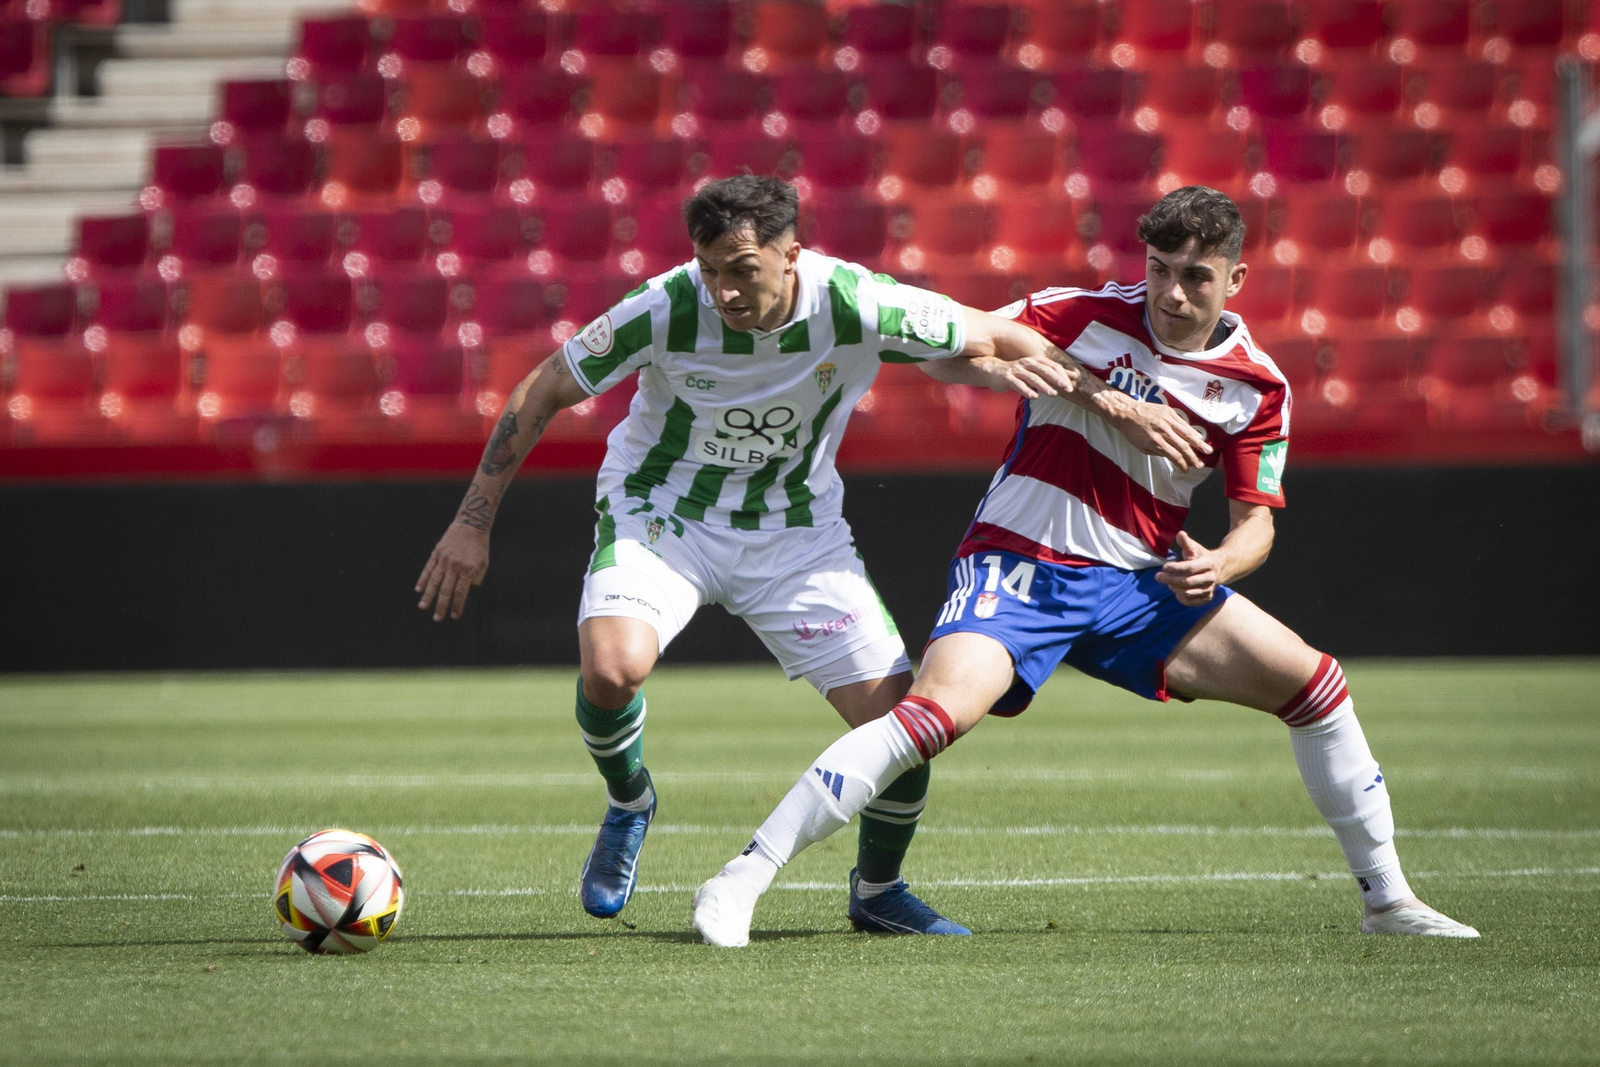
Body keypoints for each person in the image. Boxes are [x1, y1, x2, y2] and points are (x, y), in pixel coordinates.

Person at [691, 185, 1480, 947]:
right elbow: (947, 356)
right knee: (932, 716)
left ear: (1236, 279)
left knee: (1317, 687)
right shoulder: (1079, 315)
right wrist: (1083, 390)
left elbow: (1256, 527)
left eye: (1195, 276)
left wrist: (1222, 565)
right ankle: (744, 875)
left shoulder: (1257, 386)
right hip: (1020, 564)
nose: (1170, 293)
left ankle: (1388, 899)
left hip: (1140, 585)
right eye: (1159, 270)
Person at [414, 176, 1172, 934]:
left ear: (791, 256)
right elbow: (543, 386)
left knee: (899, 728)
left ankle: (878, 893)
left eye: (742, 270)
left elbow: (1004, 338)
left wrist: (1118, 406)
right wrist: (471, 522)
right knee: (613, 670)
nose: (723, 291)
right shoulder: (666, 305)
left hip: (795, 534)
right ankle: (629, 799)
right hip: (664, 515)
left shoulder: (858, 301)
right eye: (710, 268)